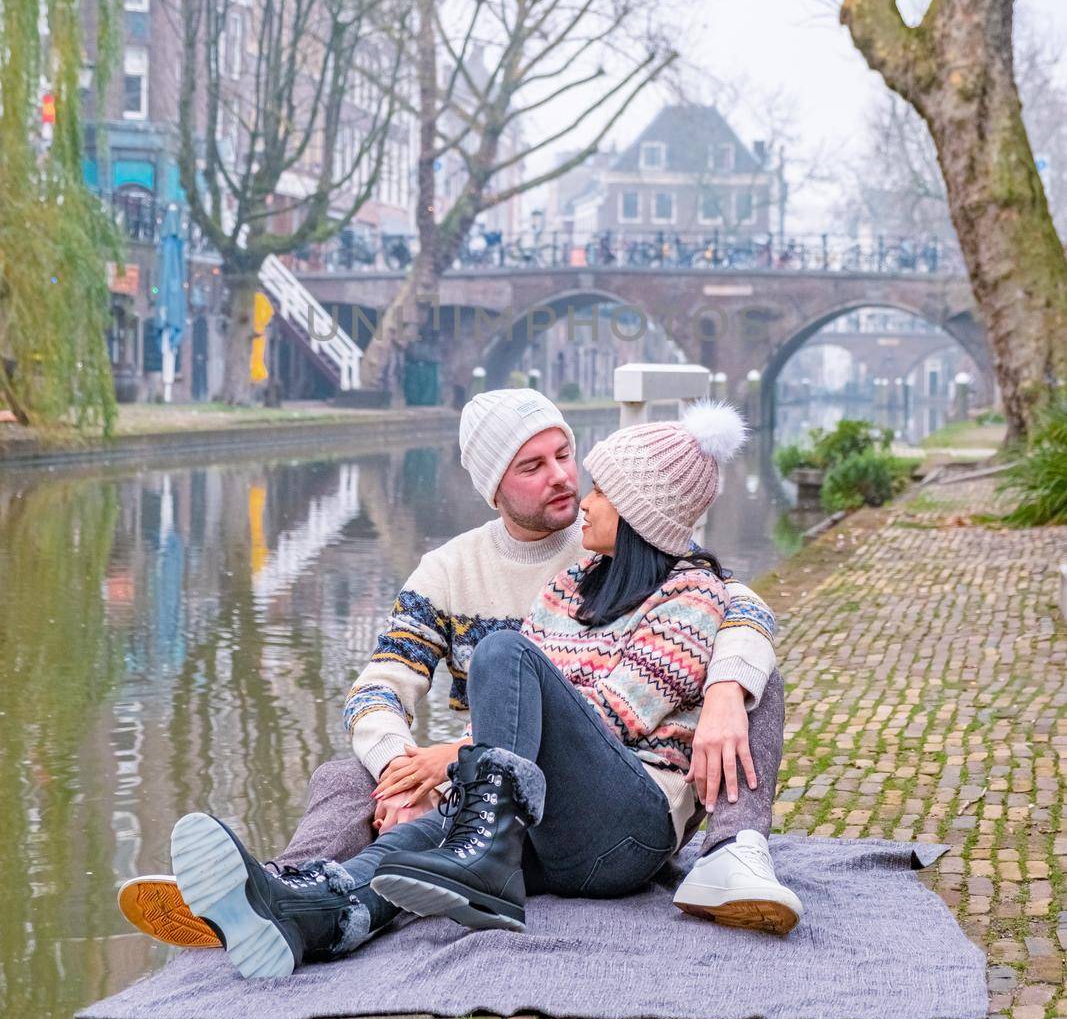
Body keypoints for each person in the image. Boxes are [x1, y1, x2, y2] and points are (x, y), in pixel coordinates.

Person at [119, 390, 798, 949]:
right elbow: (379, 686)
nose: (565, 480)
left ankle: (731, 851)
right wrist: (399, 770)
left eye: (567, 457)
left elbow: (729, 607)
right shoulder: (468, 572)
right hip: (515, 797)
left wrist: (724, 692)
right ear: (492, 487)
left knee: (524, 660)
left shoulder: (642, 554)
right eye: (534, 467)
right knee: (351, 782)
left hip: (595, 795)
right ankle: (295, 903)